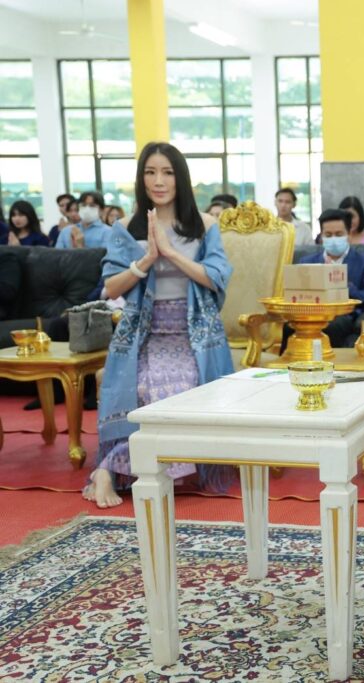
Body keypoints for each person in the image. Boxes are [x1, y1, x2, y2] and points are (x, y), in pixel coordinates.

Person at [87, 141, 234, 509]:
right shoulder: (125, 228)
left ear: (180, 178)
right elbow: (111, 287)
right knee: (141, 388)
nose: (159, 180)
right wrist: (147, 259)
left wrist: (170, 252)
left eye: (167, 172)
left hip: (194, 333)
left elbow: (216, 277)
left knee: (183, 386)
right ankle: (108, 469)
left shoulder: (205, 225)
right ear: (141, 179)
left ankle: (140, 469)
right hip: (143, 333)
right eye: (150, 172)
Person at [283, 209, 364, 350]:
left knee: (331, 325)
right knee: (287, 326)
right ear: (321, 236)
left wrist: (343, 287)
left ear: (349, 234)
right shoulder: (307, 262)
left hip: (342, 315)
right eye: (328, 235)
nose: (333, 239)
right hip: (311, 313)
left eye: (339, 234)